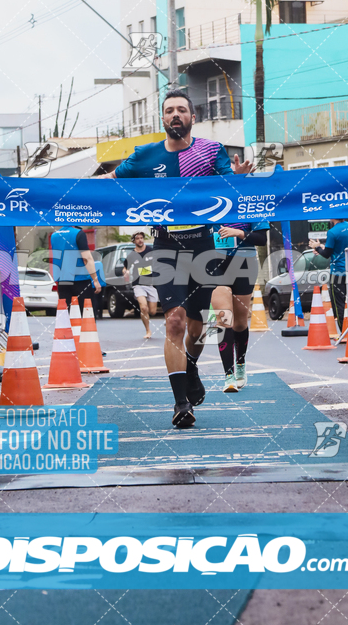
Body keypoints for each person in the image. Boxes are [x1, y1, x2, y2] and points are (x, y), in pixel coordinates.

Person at [99, 89, 252, 428]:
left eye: (182, 110)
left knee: (200, 325)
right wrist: (67, 195)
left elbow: (231, 191)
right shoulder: (144, 156)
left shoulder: (212, 151)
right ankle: (181, 403)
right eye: (169, 111)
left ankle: (192, 366)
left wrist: (239, 180)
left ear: (192, 118)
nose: (175, 115)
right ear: (163, 119)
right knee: (175, 321)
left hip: (204, 246)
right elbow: (107, 183)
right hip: (166, 246)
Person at [209, 217, 270, 393]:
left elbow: (261, 239)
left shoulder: (250, 203)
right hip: (214, 262)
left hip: (245, 262)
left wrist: (239, 233)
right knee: (223, 319)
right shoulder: (207, 200)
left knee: (240, 322)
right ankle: (229, 376)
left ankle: (240, 363)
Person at [309, 219, 348, 330]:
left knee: (338, 303)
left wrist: (317, 247)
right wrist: (322, 248)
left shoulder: (332, 232)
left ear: (332, 218)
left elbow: (326, 254)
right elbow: (338, 247)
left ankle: (344, 331)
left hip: (337, 272)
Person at [50, 225, 102, 315]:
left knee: (66, 314)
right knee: (87, 313)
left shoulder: (54, 235)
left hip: (63, 280)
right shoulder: (78, 234)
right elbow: (87, 258)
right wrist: (95, 279)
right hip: (80, 279)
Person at [123, 231, 158, 339]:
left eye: (141, 238)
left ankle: (149, 305)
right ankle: (148, 330)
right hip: (138, 284)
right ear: (134, 241)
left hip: (151, 284)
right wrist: (126, 273)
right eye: (137, 238)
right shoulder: (132, 255)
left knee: (153, 311)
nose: (140, 240)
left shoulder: (150, 251)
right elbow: (125, 268)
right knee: (143, 308)